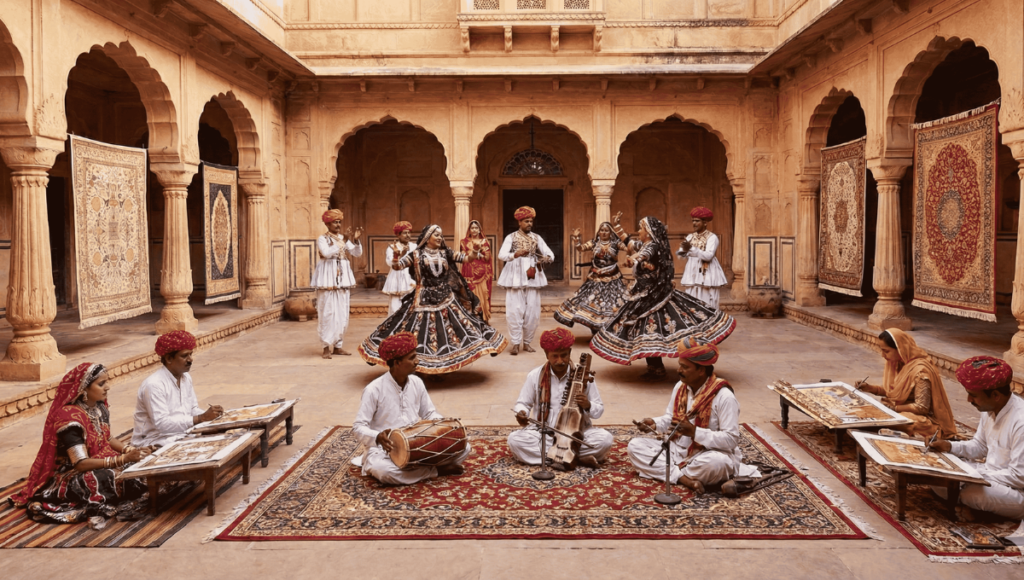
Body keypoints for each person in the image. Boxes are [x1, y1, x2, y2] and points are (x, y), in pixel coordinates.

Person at [590, 213, 736, 381]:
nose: (639, 231)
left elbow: (641, 255)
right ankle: (656, 367)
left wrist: (633, 260)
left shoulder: (652, 246)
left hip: (652, 295)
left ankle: (679, 363)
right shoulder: (646, 244)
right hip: (644, 292)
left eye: (641, 228)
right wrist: (618, 227)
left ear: (649, 231)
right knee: (647, 330)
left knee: (652, 328)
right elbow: (631, 244)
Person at [10, 363, 153, 528]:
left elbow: (107, 438)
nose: (107, 388)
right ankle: (105, 504)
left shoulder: (99, 407)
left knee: (140, 463)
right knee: (105, 477)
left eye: (107, 382)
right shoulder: (70, 418)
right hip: (73, 472)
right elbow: (80, 463)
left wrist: (131, 451)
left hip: (101, 460)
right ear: (83, 389)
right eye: (101, 384)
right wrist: (121, 460)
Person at [359, 224, 508, 374]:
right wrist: (397, 256)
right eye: (436, 235)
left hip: (445, 298)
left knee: (452, 331)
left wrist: (475, 250)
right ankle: (422, 366)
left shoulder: (445, 252)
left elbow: (467, 259)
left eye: (441, 235)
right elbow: (398, 267)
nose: (440, 238)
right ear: (427, 237)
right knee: (416, 330)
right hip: (422, 299)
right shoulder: (416, 255)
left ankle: (440, 368)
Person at [628, 337, 759, 494]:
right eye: (679, 366)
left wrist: (695, 433)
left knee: (718, 463)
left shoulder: (724, 396)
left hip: (706, 454)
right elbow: (671, 419)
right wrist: (654, 423)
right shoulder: (680, 387)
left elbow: (730, 440)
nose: (679, 371)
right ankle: (686, 480)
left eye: (684, 367)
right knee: (635, 446)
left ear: (701, 370)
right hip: (677, 450)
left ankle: (670, 472)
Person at [352, 332, 471, 485]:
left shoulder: (416, 382)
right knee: (384, 472)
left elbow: (429, 412)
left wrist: (446, 427)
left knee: (464, 447)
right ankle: (435, 471)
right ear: (397, 363)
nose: (417, 361)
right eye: (412, 358)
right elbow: (358, 427)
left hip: (418, 445)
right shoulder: (374, 389)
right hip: (386, 451)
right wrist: (377, 437)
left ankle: (416, 472)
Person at [928, 356, 1024, 521]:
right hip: (989, 476)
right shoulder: (990, 408)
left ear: (995, 395)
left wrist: (973, 474)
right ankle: (973, 505)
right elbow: (979, 446)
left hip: (1016, 491)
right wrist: (949, 447)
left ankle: (981, 511)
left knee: (973, 494)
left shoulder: (1020, 422)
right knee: (936, 474)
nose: (968, 400)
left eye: (973, 395)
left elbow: (1018, 477)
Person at [508, 328, 613, 470]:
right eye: (555, 356)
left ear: (570, 353)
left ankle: (555, 457)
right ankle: (576, 458)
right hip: (544, 433)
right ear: (546, 355)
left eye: (564, 355)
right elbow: (523, 403)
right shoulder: (535, 376)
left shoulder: (583, 376)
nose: (560, 361)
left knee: (605, 439)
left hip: (577, 435)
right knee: (515, 441)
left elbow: (598, 410)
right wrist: (522, 413)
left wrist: (588, 405)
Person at [856, 329, 957, 439]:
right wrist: (870, 388)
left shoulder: (921, 371)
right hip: (899, 409)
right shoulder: (897, 363)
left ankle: (903, 433)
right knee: (868, 411)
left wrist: (894, 408)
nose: (883, 355)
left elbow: (921, 407)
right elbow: (893, 392)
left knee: (902, 420)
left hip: (919, 416)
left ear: (900, 349)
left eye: (886, 351)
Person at [132, 331, 223, 448]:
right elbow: (162, 424)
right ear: (169, 359)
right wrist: (201, 418)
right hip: (154, 440)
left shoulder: (186, 378)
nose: (190, 360)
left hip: (179, 435)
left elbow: (192, 409)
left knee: (224, 433)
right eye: (185, 356)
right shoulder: (153, 385)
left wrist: (212, 416)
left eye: (191, 354)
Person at [497, 206, 554, 355]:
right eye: (526, 221)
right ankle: (515, 343)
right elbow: (502, 255)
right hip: (515, 276)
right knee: (514, 311)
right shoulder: (511, 237)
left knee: (533, 312)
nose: (529, 224)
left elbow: (549, 253)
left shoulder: (537, 238)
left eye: (531, 221)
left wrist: (547, 258)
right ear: (519, 222)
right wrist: (515, 254)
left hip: (533, 276)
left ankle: (527, 343)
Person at [554, 222, 628, 332]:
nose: (603, 233)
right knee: (592, 304)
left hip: (612, 280)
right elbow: (581, 248)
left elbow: (628, 247)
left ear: (611, 233)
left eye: (606, 230)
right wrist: (576, 239)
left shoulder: (616, 243)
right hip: (595, 279)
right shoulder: (594, 243)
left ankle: (608, 331)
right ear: (598, 232)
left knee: (612, 305)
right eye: (601, 230)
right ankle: (594, 330)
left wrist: (621, 231)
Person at [311, 208, 363, 359]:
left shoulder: (342, 237)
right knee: (327, 312)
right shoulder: (322, 239)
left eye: (340, 222)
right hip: (327, 279)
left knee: (342, 313)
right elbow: (327, 253)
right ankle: (326, 347)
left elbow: (356, 253)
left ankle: (338, 346)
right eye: (335, 222)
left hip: (342, 280)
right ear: (328, 224)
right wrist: (344, 241)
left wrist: (356, 240)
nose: (338, 224)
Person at [678, 206, 727, 309]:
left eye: (697, 221)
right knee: (691, 301)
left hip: (707, 272)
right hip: (692, 273)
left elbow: (708, 256)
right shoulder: (690, 237)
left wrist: (691, 248)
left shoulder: (712, 237)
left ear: (705, 222)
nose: (694, 223)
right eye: (693, 221)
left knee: (707, 301)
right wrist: (683, 251)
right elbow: (682, 254)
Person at [460, 220, 494, 323]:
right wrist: (472, 253)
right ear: (469, 230)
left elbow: (487, 258)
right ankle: (470, 319)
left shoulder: (484, 242)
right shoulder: (464, 242)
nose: (474, 230)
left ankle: (483, 318)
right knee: (469, 295)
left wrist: (479, 252)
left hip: (481, 274)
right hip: (469, 273)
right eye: (472, 228)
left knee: (482, 295)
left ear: (479, 230)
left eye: (476, 228)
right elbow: (463, 256)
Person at [382, 221, 416, 316]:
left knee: (410, 307)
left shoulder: (414, 247)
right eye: (405, 233)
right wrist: (397, 257)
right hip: (396, 279)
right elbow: (389, 263)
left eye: (409, 232)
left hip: (410, 279)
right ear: (398, 234)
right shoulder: (392, 247)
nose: (408, 235)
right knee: (395, 308)